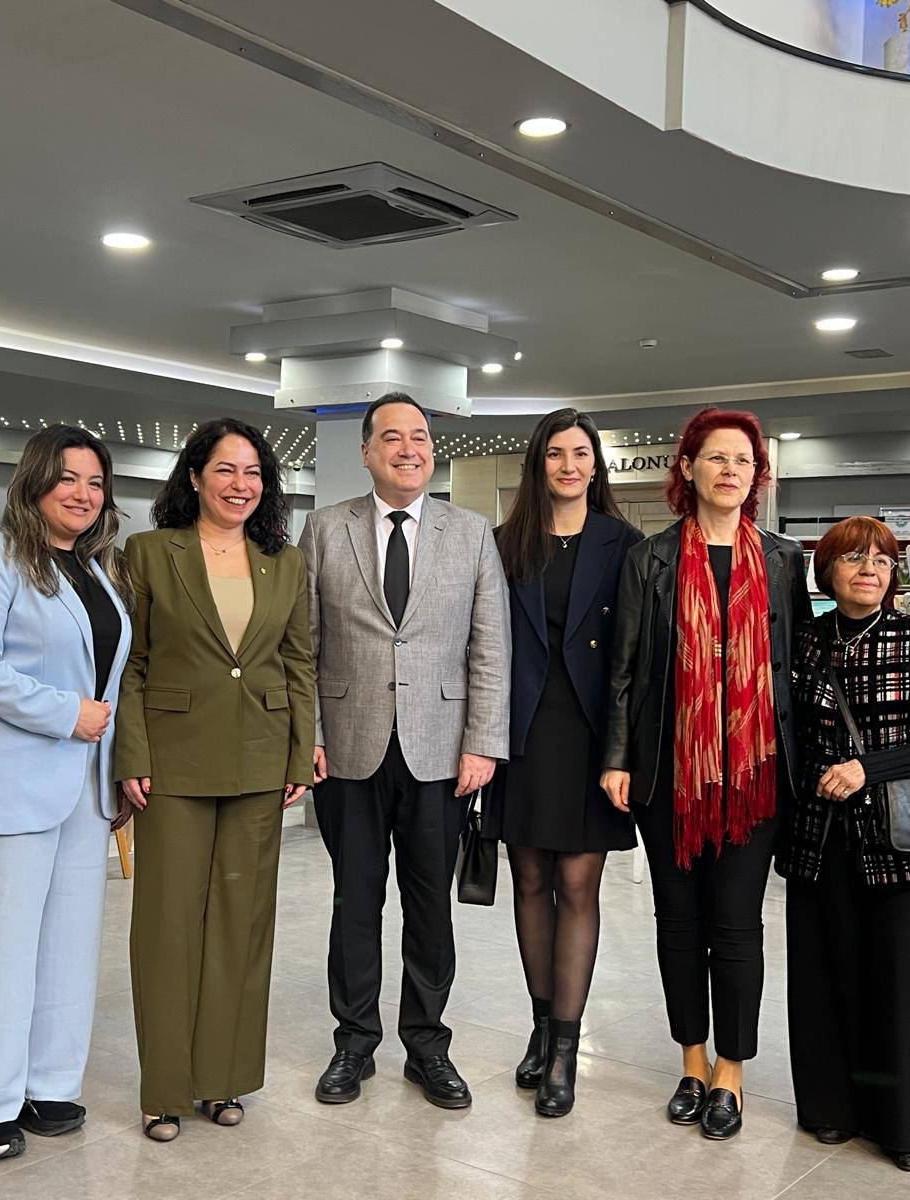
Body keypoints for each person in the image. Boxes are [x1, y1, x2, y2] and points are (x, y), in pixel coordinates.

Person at [601, 405, 810, 1141]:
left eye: (743, 460)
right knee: (678, 923)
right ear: (687, 469)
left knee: (738, 923)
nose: (730, 470)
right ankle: (691, 1062)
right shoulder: (650, 559)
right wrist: (617, 759)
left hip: (755, 775)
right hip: (671, 773)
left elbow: (797, 667)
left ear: (757, 477)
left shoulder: (784, 560)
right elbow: (623, 670)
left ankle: (731, 1071)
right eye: (716, 457)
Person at [299, 391, 510, 1112]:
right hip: (348, 749)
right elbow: (303, 646)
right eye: (391, 437)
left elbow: (490, 647)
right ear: (366, 451)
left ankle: (427, 1046)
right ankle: (354, 1042)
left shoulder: (470, 531)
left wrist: (483, 743)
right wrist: (311, 736)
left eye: (419, 436)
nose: (408, 448)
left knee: (429, 907)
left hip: (442, 754)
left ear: (433, 449)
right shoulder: (325, 528)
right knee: (354, 902)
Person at [114, 418, 314, 1142]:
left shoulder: (284, 560)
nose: (240, 484)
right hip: (172, 761)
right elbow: (130, 665)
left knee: (242, 924)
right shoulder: (149, 552)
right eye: (226, 469)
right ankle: (164, 1088)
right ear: (195, 476)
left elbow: (298, 662)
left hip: (260, 758)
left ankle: (222, 1078)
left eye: (253, 472)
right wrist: (132, 754)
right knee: (167, 925)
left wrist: (300, 755)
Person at [0, 426, 132, 1163]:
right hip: (10, 782)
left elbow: (109, 678)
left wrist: (113, 763)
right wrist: (65, 714)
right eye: (67, 478)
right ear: (34, 483)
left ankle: (48, 1085)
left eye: (95, 482)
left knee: (68, 947)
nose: (83, 494)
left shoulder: (96, 570)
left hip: (84, 785)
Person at [780, 516, 910, 1172]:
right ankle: (831, 1107)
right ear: (827, 572)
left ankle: (904, 1124)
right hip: (820, 833)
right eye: (854, 559)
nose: (870, 571)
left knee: (904, 983)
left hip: (903, 835)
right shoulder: (804, 641)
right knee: (824, 974)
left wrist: (869, 768)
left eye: (882, 561)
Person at [485, 408, 640, 1118]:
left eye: (580, 454)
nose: (569, 466)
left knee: (578, 883)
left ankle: (566, 1051)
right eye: (555, 454)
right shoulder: (504, 542)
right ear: (537, 463)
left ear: (596, 465)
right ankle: (541, 1025)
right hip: (522, 731)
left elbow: (635, 657)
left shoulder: (625, 544)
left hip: (591, 737)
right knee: (529, 879)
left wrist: (624, 751)